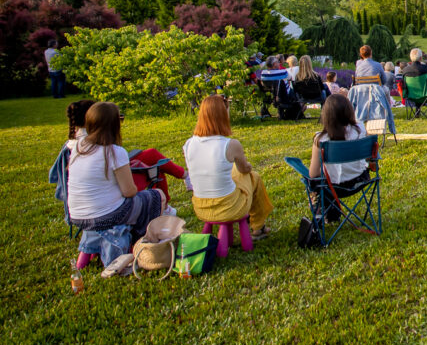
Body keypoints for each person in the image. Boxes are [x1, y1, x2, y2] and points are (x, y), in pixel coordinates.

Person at [65, 102, 168, 242]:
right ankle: (144, 241)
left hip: (76, 216)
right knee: (157, 196)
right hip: (106, 216)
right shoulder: (115, 152)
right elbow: (129, 192)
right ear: (114, 124)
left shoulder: (79, 146)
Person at [184, 96, 274, 239]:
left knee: (233, 172)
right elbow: (245, 169)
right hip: (229, 208)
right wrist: (248, 166)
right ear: (223, 115)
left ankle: (259, 226)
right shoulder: (230, 144)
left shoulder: (189, 144)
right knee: (254, 177)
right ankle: (258, 226)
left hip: (200, 207)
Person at [307, 94, 369, 213]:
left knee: (315, 182)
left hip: (332, 186)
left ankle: (324, 212)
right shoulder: (360, 130)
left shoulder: (321, 139)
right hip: (360, 180)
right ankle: (331, 213)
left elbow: (313, 173)